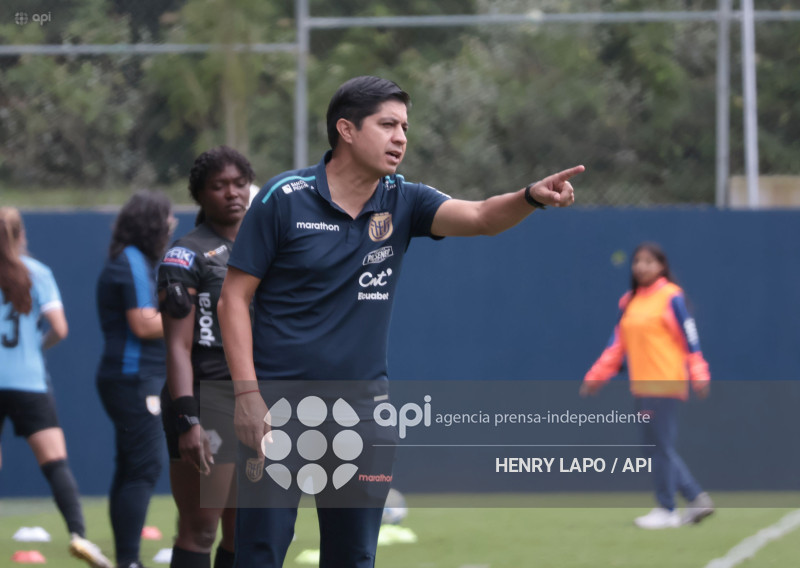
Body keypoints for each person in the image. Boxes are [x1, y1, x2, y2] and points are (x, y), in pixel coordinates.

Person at [217, 75, 583, 568]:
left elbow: (479, 216)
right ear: (346, 130)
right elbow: (232, 300)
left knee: (354, 557)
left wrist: (531, 196)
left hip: (363, 416)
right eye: (387, 125)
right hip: (276, 411)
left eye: (405, 127)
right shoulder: (283, 197)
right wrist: (246, 395)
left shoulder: (402, 199)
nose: (401, 138)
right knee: (258, 554)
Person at [158, 146, 254, 568]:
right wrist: (187, 419)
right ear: (200, 195)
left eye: (238, 183)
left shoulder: (265, 246)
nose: (232, 193)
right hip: (205, 398)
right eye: (219, 186)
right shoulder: (186, 254)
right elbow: (177, 346)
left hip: (252, 400)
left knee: (245, 531)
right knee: (200, 528)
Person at [0, 207, 112, 568]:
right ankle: (79, 534)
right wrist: (36, 346)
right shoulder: (38, 273)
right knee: (55, 463)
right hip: (29, 381)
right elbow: (60, 329)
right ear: (20, 236)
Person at [580, 242, 714, 529]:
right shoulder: (629, 301)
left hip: (664, 381)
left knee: (659, 447)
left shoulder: (671, 297)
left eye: (649, 261)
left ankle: (667, 509)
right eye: (637, 261)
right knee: (656, 447)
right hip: (642, 385)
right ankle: (695, 497)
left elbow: (690, 339)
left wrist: (699, 373)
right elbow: (617, 346)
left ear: (662, 266)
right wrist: (597, 375)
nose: (641, 266)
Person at [96, 191, 175, 568]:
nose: (172, 224)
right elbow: (143, 323)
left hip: (132, 378)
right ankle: (128, 560)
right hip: (133, 378)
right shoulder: (130, 261)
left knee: (131, 466)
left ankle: (126, 559)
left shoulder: (138, 261)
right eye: (167, 217)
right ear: (151, 223)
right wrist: (191, 319)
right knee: (143, 467)